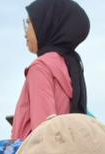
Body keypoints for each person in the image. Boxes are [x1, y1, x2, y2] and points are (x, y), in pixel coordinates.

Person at [11, 0, 89, 141]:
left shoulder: (41, 68)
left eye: (29, 23)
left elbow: (44, 135)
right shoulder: (70, 66)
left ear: (46, 25)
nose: (25, 32)